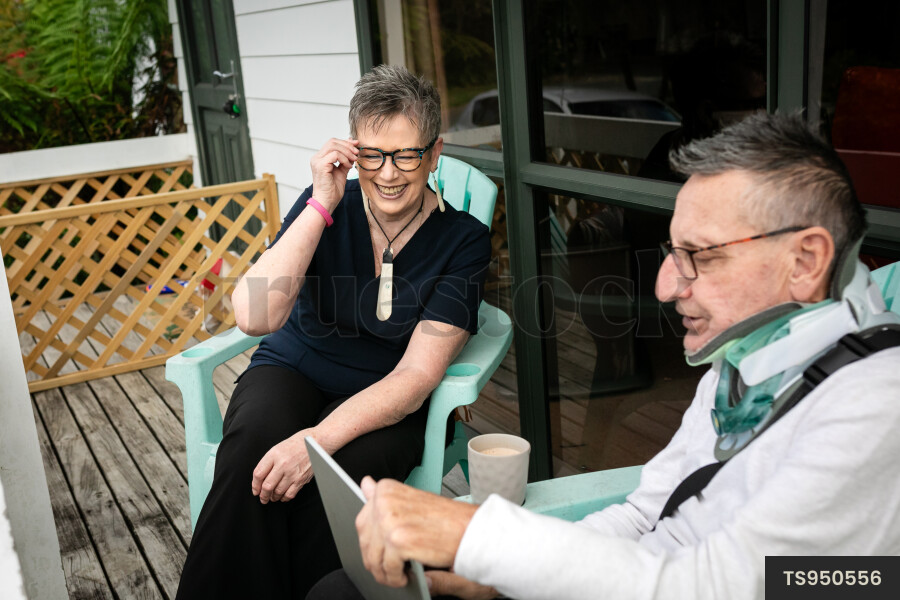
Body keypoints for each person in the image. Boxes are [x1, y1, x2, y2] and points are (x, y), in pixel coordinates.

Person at [310, 112, 900, 599]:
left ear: (804, 262)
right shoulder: (748, 363)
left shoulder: (875, 406)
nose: (667, 286)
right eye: (673, 251)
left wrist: (479, 535)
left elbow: (727, 587)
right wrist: (500, 577)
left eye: (701, 255)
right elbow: (644, 512)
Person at [175, 65, 491, 599]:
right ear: (352, 152)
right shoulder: (326, 205)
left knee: (339, 484)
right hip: (293, 367)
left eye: (406, 155)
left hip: (384, 397)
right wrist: (321, 202)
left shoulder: (463, 242)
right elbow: (253, 316)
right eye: (372, 155)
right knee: (252, 443)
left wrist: (315, 442)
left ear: (434, 154)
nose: (388, 173)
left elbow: (417, 375)